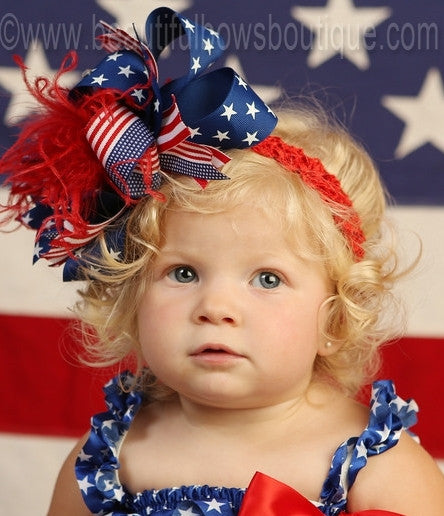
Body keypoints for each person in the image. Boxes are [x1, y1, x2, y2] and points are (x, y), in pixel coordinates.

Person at [1, 7, 443, 516]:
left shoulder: (373, 467)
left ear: (336, 316)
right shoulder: (111, 458)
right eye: (183, 272)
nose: (216, 307)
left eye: (268, 278)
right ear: (132, 292)